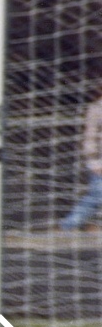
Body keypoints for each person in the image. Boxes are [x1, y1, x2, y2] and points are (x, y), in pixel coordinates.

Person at [58, 87, 102, 231]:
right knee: (97, 195)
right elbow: (90, 137)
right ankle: (68, 225)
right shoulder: (96, 108)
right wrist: (94, 162)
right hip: (99, 160)